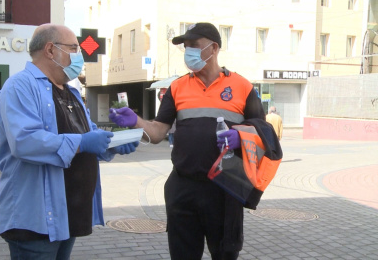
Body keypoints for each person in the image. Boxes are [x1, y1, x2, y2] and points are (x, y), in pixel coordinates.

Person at [109, 22, 268, 260]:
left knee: (225, 254)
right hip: (183, 187)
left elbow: (265, 134)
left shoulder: (242, 87)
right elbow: (158, 133)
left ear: (213, 48)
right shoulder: (178, 87)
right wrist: (136, 121)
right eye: (186, 47)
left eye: (194, 45)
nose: (189, 52)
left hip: (224, 188)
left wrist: (242, 137)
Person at [0, 24, 138, 260]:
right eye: (73, 48)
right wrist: (82, 142)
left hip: (65, 217)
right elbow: (25, 141)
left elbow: (87, 135)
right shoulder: (19, 86)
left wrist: (112, 144)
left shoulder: (70, 93)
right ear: (50, 50)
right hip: (35, 223)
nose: (78, 55)